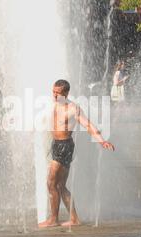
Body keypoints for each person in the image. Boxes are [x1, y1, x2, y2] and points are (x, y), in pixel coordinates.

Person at [38, 80, 115, 228]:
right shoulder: (53, 103)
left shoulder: (73, 109)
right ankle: (74, 219)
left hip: (64, 146)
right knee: (60, 185)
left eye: (57, 93)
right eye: (53, 92)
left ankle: (53, 219)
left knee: (50, 183)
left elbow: (88, 125)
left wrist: (101, 141)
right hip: (56, 145)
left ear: (66, 93)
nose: (54, 95)